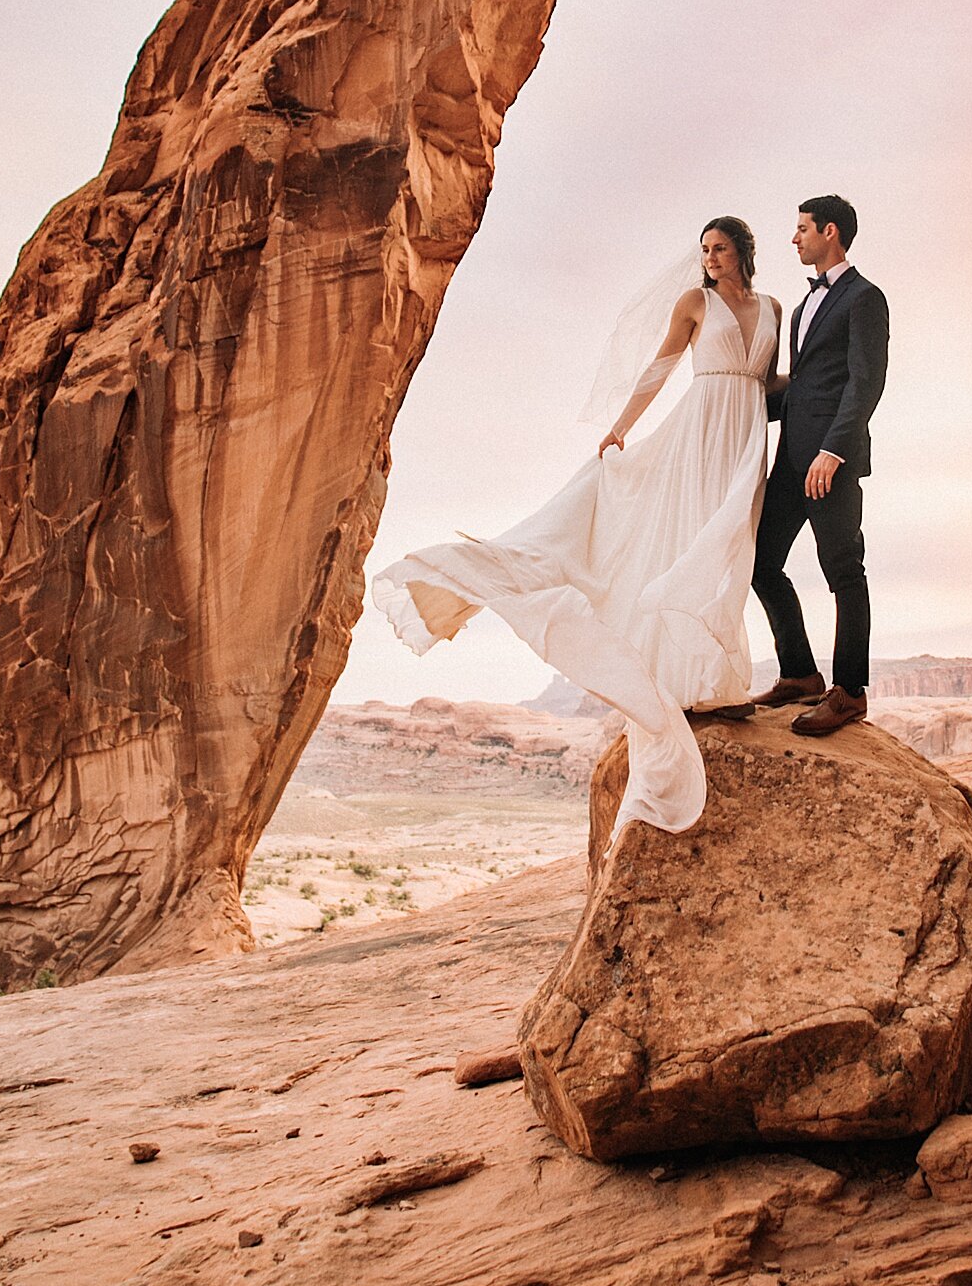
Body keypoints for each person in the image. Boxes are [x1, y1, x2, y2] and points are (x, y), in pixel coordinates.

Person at [371, 219, 780, 836]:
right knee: (693, 542)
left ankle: (716, 677)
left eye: (720, 248)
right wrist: (621, 426)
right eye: (704, 249)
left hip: (747, 436)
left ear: (744, 252)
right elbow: (659, 369)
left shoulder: (774, 308)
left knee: (733, 550)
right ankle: (687, 680)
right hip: (699, 435)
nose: (710, 257)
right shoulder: (695, 302)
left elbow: (777, 381)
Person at [751, 194, 889, 738]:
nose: (795, 238)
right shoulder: (804, 305)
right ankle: (801, 673)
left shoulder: (865, 299)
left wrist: (833, 451)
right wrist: (724, 402)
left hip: (832, 460)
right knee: (758, 558)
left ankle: (849, 692)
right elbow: (803, 386)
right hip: (791, 458)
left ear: (829, 231)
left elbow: (864, 382)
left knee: (843, 572)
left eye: (802, 228)